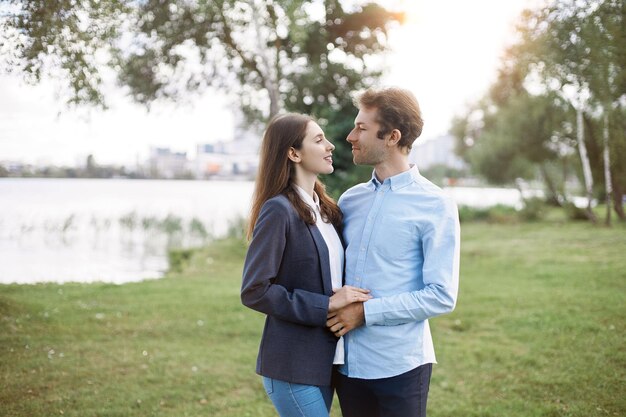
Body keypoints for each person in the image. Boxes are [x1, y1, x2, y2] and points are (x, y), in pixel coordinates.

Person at [326, 87, 461, 417]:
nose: (350, 136)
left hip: (400, 367)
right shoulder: (350, 200)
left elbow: (441, 295)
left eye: (362, 127)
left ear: (392, 136)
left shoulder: (436, 204)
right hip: (347, 366)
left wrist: (365, 313)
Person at [241, 113, 372, 417]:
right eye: (318, 140)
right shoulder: (278, 210)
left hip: (325, 362)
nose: (330, 146)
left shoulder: (326, 209)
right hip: (291, 364)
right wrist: (326, 304)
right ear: (293, 153)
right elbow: (255, 290)